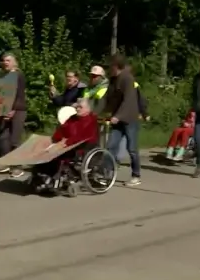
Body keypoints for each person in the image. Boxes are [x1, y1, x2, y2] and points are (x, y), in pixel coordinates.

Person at [30, 98, 99, 192]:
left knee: (57, 155)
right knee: (44, 151)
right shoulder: (72, 118)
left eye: (80, 107)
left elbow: (83, 136)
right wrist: (55, 139)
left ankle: (53, 179)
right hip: (68, 145)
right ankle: (41, 176)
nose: (77, 109)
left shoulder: (91, 120)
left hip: (83, 147)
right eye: (77, 107)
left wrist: (66, 143)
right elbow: (62, 130)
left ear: (88, 109)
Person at [99, 54, 142, 186]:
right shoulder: (113, 80)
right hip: (117, 119)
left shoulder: (127, 78)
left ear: (115, 66)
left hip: (129, 119)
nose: (108, 69)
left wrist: (118, 116)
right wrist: (96, 112)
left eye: (110, 66)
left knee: (132, 149)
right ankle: (107, 174)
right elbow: (107, 99)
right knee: (110, 146)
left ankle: (136, 175)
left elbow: (128, 100)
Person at [0, 53, 27, 178]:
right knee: (3, 137)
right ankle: (5, 163)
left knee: (15, 139)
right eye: (4, 60)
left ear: (14, 62)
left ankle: (17, 167)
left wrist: (13, 109)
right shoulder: (5, 76)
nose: (5, 62)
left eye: (8, 60)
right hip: (5, 109)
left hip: (18, 109)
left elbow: (19, 94)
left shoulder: (18, 75)